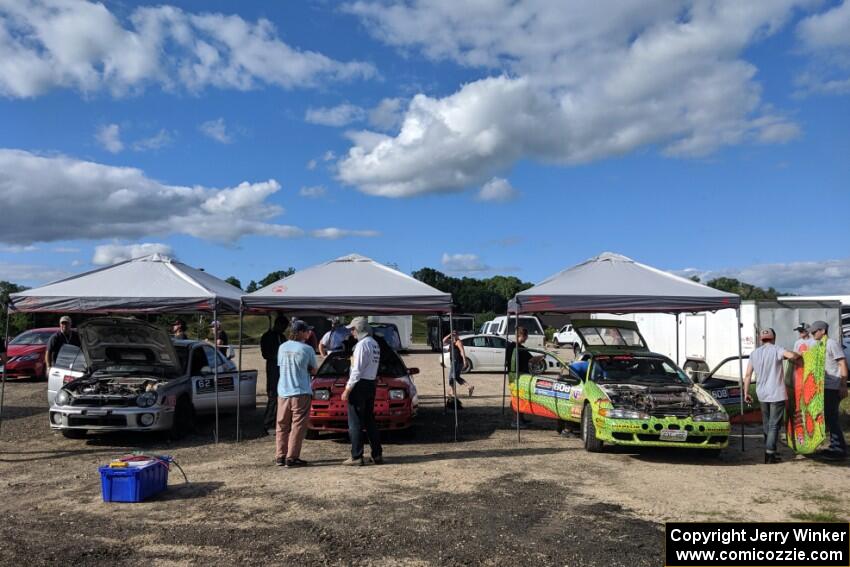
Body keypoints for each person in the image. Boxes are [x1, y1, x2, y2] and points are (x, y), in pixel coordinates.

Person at [743, 328, 800, 464]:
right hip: (776, 392)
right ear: (774, 338)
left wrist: (746, 392)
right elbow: (793, 356)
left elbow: (747, 375)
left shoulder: (754, 353)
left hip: (761, 393)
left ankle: (769, 451)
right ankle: (770, 454)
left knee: (767, 423)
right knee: (774, 425)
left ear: (760, 339)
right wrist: (797, 354)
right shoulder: (777, 349)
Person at [341, 317, 383, 466]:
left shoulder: (362, 345)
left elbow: (356, 370)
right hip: (371, 383)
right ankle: (377, 454)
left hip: (359, 385)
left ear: (358, 329)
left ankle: (356, 456)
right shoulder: (374, 344)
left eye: (352, 329)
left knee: (355, 422)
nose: (351, 332)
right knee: (370, 420)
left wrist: (347, 389)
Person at [275, 320, 317, 468]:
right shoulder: (307, 349)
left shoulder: (282, 347)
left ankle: (280, 455)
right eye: (306, 330)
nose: (309, 333)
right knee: (297, 425)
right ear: (300, 332)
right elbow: (313, 370)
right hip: (300, 391)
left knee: (282, 424)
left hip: (283, 391)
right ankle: (292, 457)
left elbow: (280, 365)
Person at [809, 320, 848, 460]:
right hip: (822, 387)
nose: (812, 334)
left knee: (831, 417)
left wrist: (843, 385)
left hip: (832, 386)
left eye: (814, 332)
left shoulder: (831, 344)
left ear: (823, 331)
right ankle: (834, 445)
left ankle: (839, 449)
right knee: (827, 417)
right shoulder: (819, 344)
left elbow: (842, 363)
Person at [261, 315, 289, 434]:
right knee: (273, 396)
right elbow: (265, 354)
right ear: (278, 324)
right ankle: (268, 423)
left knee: (282, 396)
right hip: (273, 368)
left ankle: (279, 421)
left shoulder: (282, 337)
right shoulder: (267, 336)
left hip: (283, 369)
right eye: (283, 327)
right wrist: (277, 358)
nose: (284, 330)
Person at [442, 330, 474, 403]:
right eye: (453, 335)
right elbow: (443, 341)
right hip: (454, 361)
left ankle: (452, 393)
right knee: (455, 377)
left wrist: (465, 360)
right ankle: (469, 387)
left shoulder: (458, 342)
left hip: (457, 361)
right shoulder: (451, 342)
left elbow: (462, 351)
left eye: (455, 334)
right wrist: (449, 334)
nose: (453, 336)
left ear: (457, 335)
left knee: (452, 377)